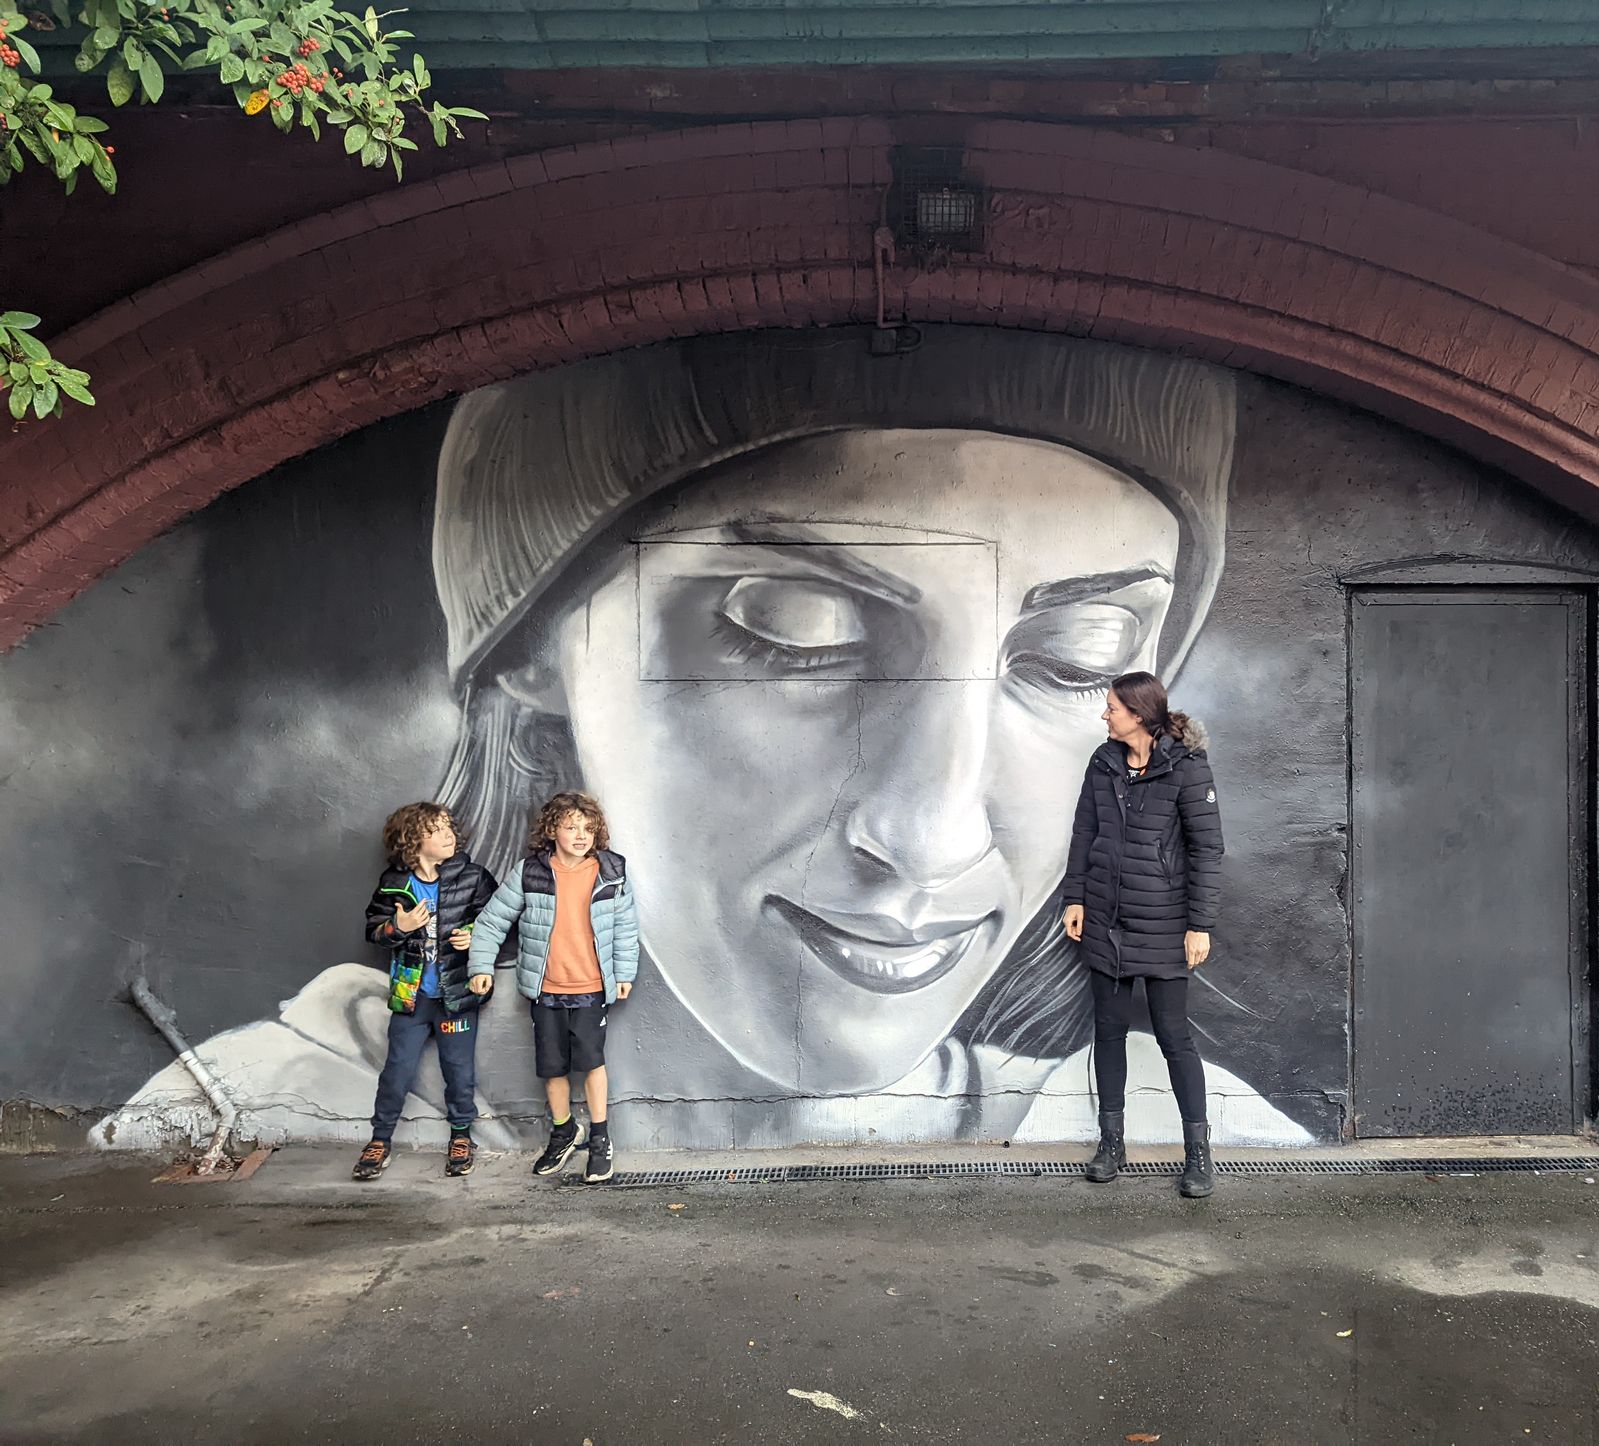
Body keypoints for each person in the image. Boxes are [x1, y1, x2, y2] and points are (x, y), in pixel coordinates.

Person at [96, 326, 1313, 1153]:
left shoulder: (1155, 1129)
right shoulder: (284, 1111)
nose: (934, 834)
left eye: (1077, 660)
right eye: (794, 628)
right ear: (530, 649)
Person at [1063, 672, 1224, 1197]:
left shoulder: (1186, 766)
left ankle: (1198, 1154)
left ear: (1137, 712)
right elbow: (1084, 832)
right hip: (1106, 922)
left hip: (1163, 924)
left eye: (1111, 707)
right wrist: (1075, 897)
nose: (1104, 715)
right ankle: (1111, 1144)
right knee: (1108, 1033)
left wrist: (1199, 925)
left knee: (1174, 1036)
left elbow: (1207, 850)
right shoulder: (1103, 761)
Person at [466, 791, 639, 1181]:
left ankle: (599, 1137)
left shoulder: (611, 871)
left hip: (592, 988)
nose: (581, 835)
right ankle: (563, 1131)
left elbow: (627, 926)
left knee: (593, 1063)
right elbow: (493, 921)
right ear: (552, 830)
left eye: (588, 828)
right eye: (571, 826)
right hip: (546, 989)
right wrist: (481, 965)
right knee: (552, 1067)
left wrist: (624, 974)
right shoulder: (531, 872)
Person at [354, 802, 499, 1181]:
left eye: (449, 827)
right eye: (437, 830)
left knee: (459, 1070)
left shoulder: (473, 877)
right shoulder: (394, 883)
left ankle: (461, 1136)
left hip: (456, 996)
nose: (449, 835)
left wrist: (475, 937)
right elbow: (374, 931)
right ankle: (380, 1139)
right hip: (411, 997)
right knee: (397, 1070)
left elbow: (498, 924)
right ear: (414, 840)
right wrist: (398, 926)